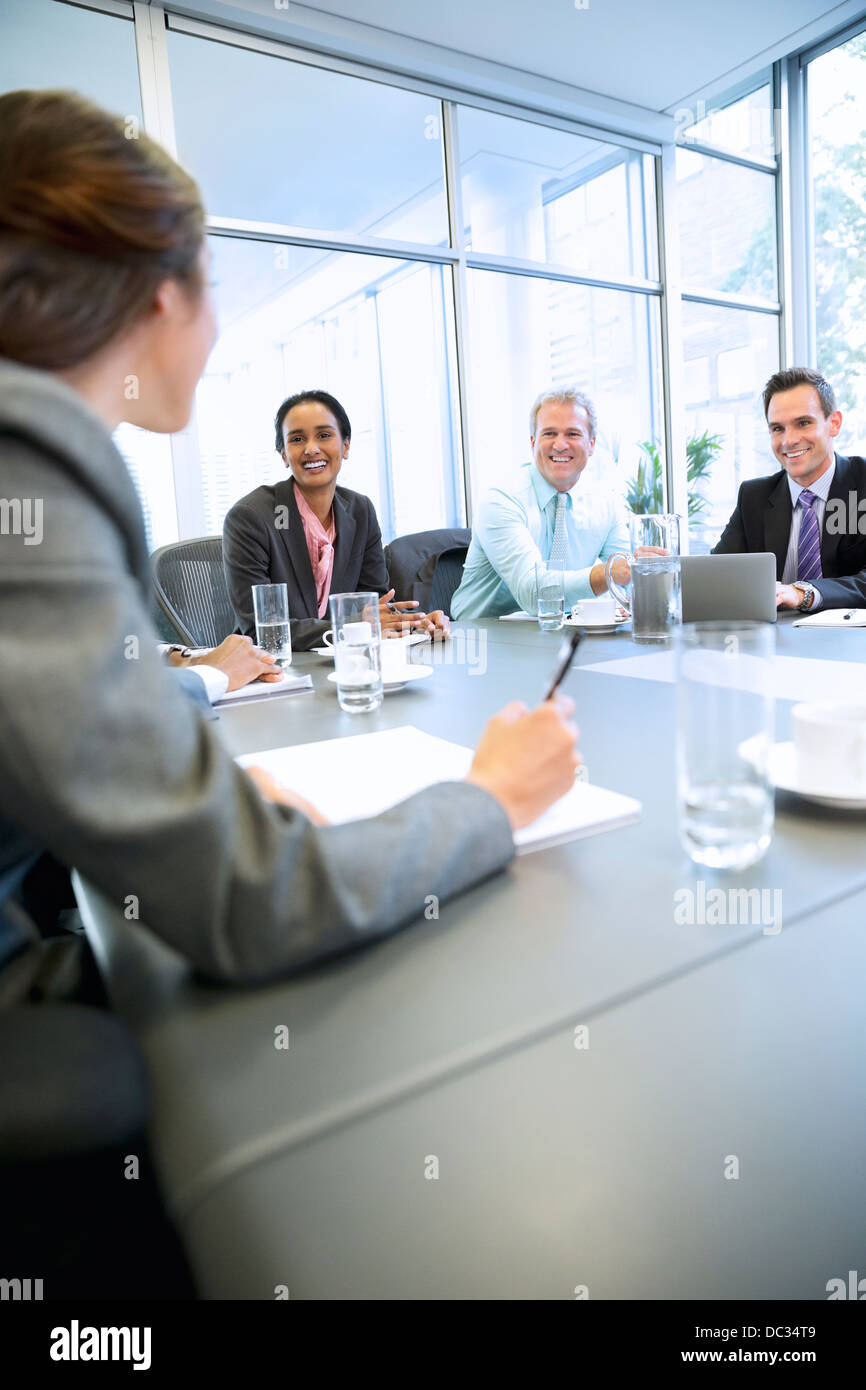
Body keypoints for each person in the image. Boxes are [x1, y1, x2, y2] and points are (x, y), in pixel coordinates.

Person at [0, 86, 580, 992]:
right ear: (163, 294)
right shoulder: (34, 471)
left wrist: (184, 783)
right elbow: (257, 900)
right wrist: (492, 799)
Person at [223, 389, 450, 650]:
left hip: (350, 663)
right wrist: (350, 628)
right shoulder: (252, 518)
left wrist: (416, 623)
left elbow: (373, 608)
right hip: (278, 670)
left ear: (346, 446)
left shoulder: (360, 511)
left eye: (324, 435)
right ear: (284, 454)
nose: (311, 448)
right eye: (297, 439)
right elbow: (261, 629)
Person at [450, 387, 632, 620]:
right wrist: (606, 574)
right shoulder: (501, 499)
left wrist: (644, 571)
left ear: (592, 444)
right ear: (533, 442)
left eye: (573, 434)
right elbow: (533, 593)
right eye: (549, 434)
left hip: (563, 632)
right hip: (485, 637)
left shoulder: (607, 504)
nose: (560, 445)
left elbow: (627, 584)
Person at [713, 367, 866, 611]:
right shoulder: (754, 497)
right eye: (777, 428)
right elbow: (715, 576)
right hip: (772, 642)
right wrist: (664, 569)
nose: (788, 441)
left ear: (834, 424)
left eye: (803, 423)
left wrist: (802, 593)